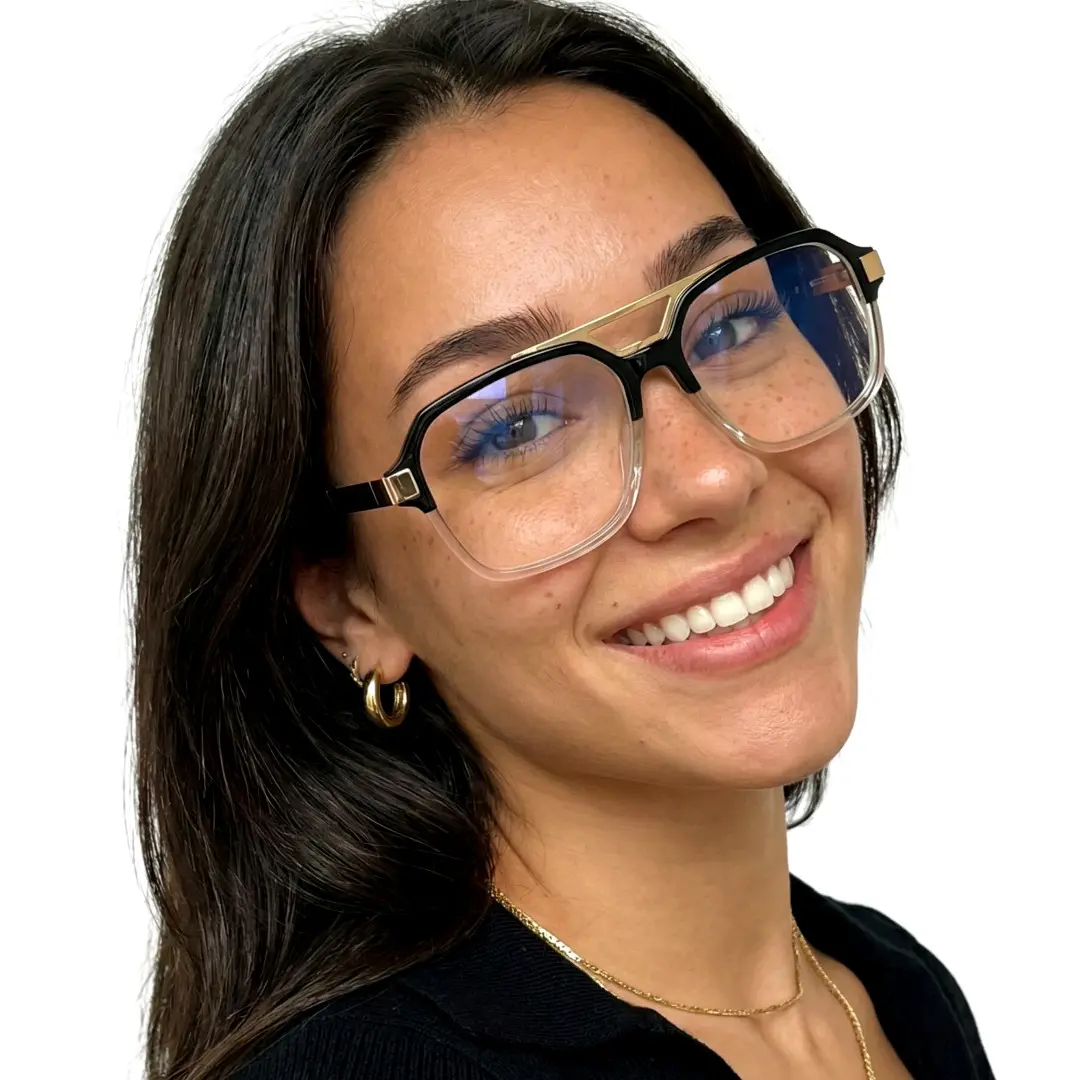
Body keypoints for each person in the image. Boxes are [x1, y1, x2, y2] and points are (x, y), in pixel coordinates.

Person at [130, 1, 994, 1077]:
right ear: (349, 598)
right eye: (519, 425)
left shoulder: (895, 994)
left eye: (729, 323)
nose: (714, 474)